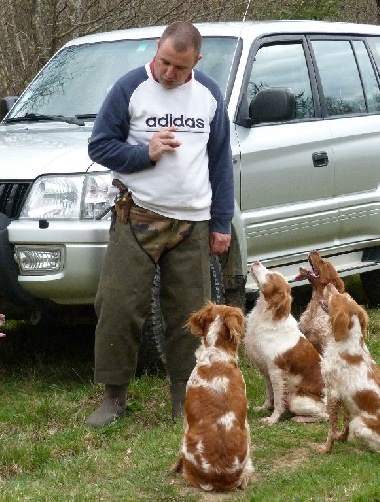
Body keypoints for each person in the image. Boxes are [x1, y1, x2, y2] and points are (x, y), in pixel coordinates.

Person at [86, 21, 234, 427]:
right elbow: (99, 145)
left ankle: (184, 400)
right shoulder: (129, 88)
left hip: (193, 223)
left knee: (190, 316)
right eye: (164, 62)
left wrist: (221, 222)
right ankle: (113, 399)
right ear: (157, 50)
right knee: (118, 305)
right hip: (138, 217)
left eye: (180, 67)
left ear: (196, 62)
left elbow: (220, 163)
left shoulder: (209, 95)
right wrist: (144, 153)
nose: (169, 73)